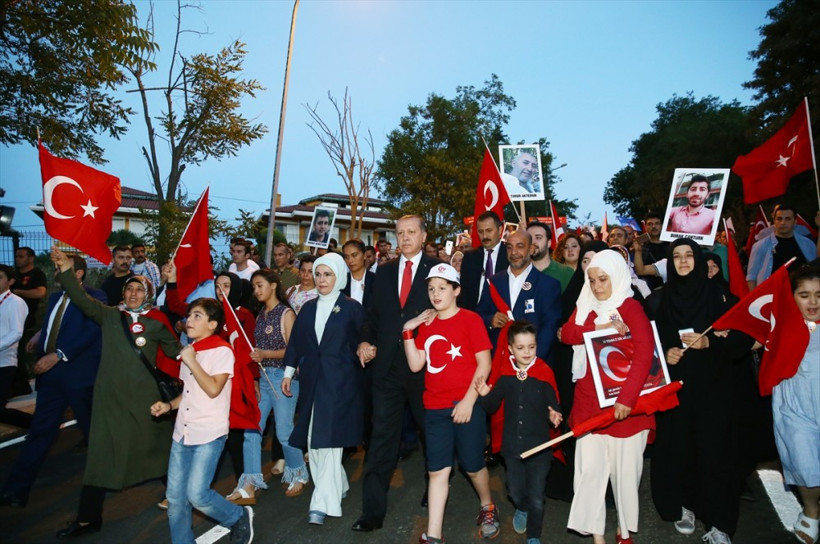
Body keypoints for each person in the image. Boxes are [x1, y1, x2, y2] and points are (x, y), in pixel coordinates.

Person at [50, 246, 181, 539]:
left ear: (148, 293)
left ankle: (179, 493)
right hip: (110, 401)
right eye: (129, 289)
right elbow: (81, 298)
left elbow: (178, 354)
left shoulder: (157, 322)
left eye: (139, 289)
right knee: (101, 455)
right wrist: (67, 269)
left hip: (147, 404)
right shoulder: (110, 316)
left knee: (157, 451)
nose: (133, 293)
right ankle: (88, 518)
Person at [649, 239, 755, 544]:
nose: (683, 261)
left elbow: (744, 338)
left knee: (715, 455)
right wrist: (665, 353)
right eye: (677, 256)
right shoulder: (658, 300)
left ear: (698, 259)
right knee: (679, 450)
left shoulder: (720, 297)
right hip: (676, 393)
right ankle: (683, 504)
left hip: (714, 392)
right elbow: (648, 343)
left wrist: (712, 342)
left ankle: (720, 523)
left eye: (689, 255)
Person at [560, 250, 655, 544]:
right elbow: (566, 333)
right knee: (589, 473)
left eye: (603, 279)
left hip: (626, 407)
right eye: (591, 280)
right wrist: (599, 328)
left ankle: (624, 532)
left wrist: (626, 398)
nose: (597, 286)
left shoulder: (631, 307)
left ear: (617, 276)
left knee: (625, 477)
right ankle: (598, 537)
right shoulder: (586, 304)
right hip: (589, 402)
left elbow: (645, 355)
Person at [352, 215, 437, 532]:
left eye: (411, 232)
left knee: (431, 434)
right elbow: (372, 316)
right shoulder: (383, 272)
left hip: (423, 367)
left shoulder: (437, 270)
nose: (405, 238)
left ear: (424, 236)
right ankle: (371, 512)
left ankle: (435, 488)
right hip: (386, 369)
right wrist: (365, 341)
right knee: (381, 440)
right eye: (400, 233)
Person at [402, 263, 497, 544]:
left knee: (472, 465)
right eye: (431, 289)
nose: (436, 294)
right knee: (437, 470)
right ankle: (433, 535)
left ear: (456, 290)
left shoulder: (471, 320)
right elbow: (416, 364)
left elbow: (485, 363)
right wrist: (408, 330)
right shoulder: (427, 323)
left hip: (467, 403)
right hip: (435, 406)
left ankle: (487, 505)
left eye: (442, 288)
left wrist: (468, 401)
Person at [0, 255, 105, 508]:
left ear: (78, 273)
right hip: (51, 379)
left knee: (95, 435)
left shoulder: (96, 297)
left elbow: (93, 331)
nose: (55, 273)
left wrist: (59, 354)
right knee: (40, 433)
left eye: (61, 268)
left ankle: (104, 487)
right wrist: (40, 335)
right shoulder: (56, 298)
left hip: (79, 379)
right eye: (56, 268)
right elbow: (55, 325)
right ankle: (15, 491)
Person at [150, 298, 254, 544]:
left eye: (197, 316)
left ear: (212, 324)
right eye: (189, 315)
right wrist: (168, 405)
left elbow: (213, 389)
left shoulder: (221, 351)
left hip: (209, 433)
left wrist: (191, 360)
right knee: (175, 498)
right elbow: (189, 392)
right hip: (183, 432)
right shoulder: (191, 350)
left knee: (197, 494)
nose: (189, 320)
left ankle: (238, 516)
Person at [281, 253, 366, 525]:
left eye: (327, 274)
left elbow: (364, 339)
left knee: (328, 441)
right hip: (311, 383)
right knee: (312, 441)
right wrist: (288, 372)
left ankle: (322, 503)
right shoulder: (307, 308)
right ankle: (339, 483)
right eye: (318, 274)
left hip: (340, 383)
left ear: (338, 276)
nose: (321, 279)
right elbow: (296, 343)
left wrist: (366, 349)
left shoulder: (351, 308)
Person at [475, 321, 563, 544]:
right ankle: (521, 507)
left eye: (531, 347)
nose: (527, 352)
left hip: (540, 448)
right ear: (511, 349)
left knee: (537, 496)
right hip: (513, 446)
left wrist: (554, 415)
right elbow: (492, 407)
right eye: (521, 347)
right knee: (515, 491)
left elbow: (554, 406)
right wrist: (485, 394)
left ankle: (534, 536)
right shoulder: (505, 373)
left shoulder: (544, 373)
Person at [229, 269, 307, 503]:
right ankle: (250, 482)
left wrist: (265, 354)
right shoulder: (261, 314)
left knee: (284, 431)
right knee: (252, 429)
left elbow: (295, 350)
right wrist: (256, 374)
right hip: (263, 379)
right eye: (253, 287)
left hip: (285, 378)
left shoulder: (286, 313)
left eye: (260, 285)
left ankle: (298, 473)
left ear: (273, 285)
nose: (256, 290)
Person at [771, 265, 820, 544]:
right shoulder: (778, 325)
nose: (812, 302)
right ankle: (811, 510)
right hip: (794, 407)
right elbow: (748, 341)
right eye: (804, 295)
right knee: (804, 461)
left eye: (819, 295)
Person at [476, 229, 561, 363]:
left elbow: (549, 328)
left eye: (520, 246)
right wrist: (490, 321)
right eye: (509, 247)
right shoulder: (493, 282)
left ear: (531, 249)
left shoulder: (548, 285)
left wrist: (530, 361)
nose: (514, 252)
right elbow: (478, 317)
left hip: (534, 364)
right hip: (499, 363)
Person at [746, 205, 818, 289]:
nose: (783, 222)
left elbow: (815, 269)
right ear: (774, 221)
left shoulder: (808, 244)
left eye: (788, 219)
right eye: (779, 219)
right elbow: (751, 277)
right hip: (772, 294)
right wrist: (756, 297)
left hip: (799, 293)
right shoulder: (760, 246)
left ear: (795, 221)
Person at [459, 211, 508, 311]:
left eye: (489, 230)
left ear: (500, 230)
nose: (485, 236)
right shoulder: (470, 257)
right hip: (475, 315)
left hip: (503, 314)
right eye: (481, 231)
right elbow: (464, 293)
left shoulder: (509, 255)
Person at [0, 265, 29, 427]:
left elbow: (16, 332)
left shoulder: (16, 302)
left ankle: (38, 425)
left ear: (10, 281)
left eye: (0, 277)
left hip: (5, 363)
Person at [528, 221, 573, 291]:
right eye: (529, 238)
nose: (533, 242)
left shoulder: (566, 273)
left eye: (538, 238)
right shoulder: (518, 272)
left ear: (549, 243)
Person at [342, 239, 376, 307]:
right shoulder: (341, 282)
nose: (350, 260)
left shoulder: (377, 280)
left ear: (365, 255)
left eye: (354, 255)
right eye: (346, 257)